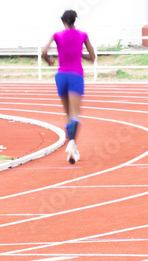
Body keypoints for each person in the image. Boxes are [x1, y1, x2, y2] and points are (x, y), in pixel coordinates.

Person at [42, 10, 95, 164]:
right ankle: (72, 143)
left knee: (67, 115)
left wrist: (49, 61)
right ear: (74, 20)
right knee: (75, 115)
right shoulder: (83, 35)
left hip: (61, 76)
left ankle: (73, 146)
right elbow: (92, 57)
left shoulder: (57, 35)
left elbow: (44, 51)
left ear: (63, 21)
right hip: (76, 75)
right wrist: (80, 55)